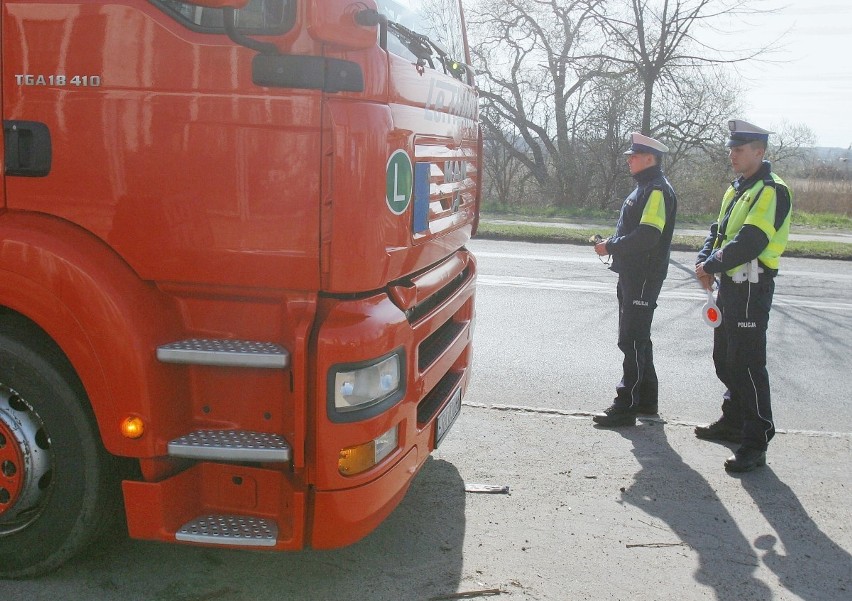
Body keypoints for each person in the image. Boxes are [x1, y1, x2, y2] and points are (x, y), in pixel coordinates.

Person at [694, 119, 792, 472]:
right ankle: (733, 421)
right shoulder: (737, 188)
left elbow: (752, 239)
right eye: (731, 149)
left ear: (759, 152)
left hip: (752, 286)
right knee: (725, 357)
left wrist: (712, 266)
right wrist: (703, 261)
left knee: (748, 364)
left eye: (739, 149)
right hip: (729, 285)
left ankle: (756, 440)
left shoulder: (770, 189)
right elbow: (717, 232)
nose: (732, 154)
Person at [592, 132, 678, 427]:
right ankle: (646, 400)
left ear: (650, 159)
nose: (629, 160)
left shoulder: (655, 190)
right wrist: (614, 243)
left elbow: (647, 236)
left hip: (642, 276)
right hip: (634, 274)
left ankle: (626, 405)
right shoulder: (646, 187)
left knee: (631, 340)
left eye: (634, 156)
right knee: (639, 339)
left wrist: (611, 246)